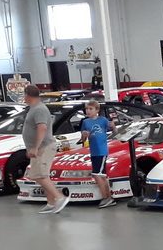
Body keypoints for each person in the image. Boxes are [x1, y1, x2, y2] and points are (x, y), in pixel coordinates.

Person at [22, 85, 68, 214]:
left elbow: (42, 128)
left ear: (28, 95)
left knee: (39, 175)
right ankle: (51, 202)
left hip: (44, 147)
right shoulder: (34, 108)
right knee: (42, 175)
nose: (23, 98)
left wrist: (36, 147)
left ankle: (59, 197)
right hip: (39, 148)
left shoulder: (39, 109)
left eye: (24, 95)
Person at [79, 100, 115, 208]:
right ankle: (108, 197)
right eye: (87, 109)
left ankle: (106, 197)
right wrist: (84, 135)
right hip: (93, 151)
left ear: (97, 110)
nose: (88, 111)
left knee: (97, 174)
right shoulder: (85, 122)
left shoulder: (103, 120)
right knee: (101, 175)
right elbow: (83, 139)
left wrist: (113, 126)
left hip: (101, 151)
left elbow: (114, 131)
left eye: (91, 109)